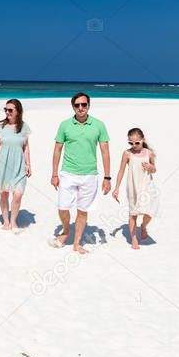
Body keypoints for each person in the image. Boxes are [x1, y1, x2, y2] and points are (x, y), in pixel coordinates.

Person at [50, 93, 111, 254]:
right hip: (68, 173)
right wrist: (54, 174)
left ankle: (77, 244)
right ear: (73, 107)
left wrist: (107, 177)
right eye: (77, 105)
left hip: (90, 174)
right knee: (62, 207)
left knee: (82, 210)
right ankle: (66, 231)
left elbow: (105, 152)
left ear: (89, 105)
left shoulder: (99, 125)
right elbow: (57, 150)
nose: (81, 108)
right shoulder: (65, 125)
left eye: (84, 104)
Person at [0, 99, 31, 231]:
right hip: (3, 165)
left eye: (10, 110)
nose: (7, 112)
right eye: (5, 110)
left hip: (19, 165)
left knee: (18, 194)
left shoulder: (24, 127)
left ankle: (14, 221)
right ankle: (6, 222)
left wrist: (28, 164)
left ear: (18, 111)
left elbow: (26, 147)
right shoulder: (0, 126)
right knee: (4, 194)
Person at [113, 128, 158, 249]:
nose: (134, 145)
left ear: (143, 140)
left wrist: (150, 166)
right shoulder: (127, 153)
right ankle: (134, 238)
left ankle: (143, 227)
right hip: (133, 186)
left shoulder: (149, 153)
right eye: (131, 143)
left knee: (150, 212)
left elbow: (154, 170)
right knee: (133, 213)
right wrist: (116, 188)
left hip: (147, 186)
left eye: (137, 142)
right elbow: (121, 171)